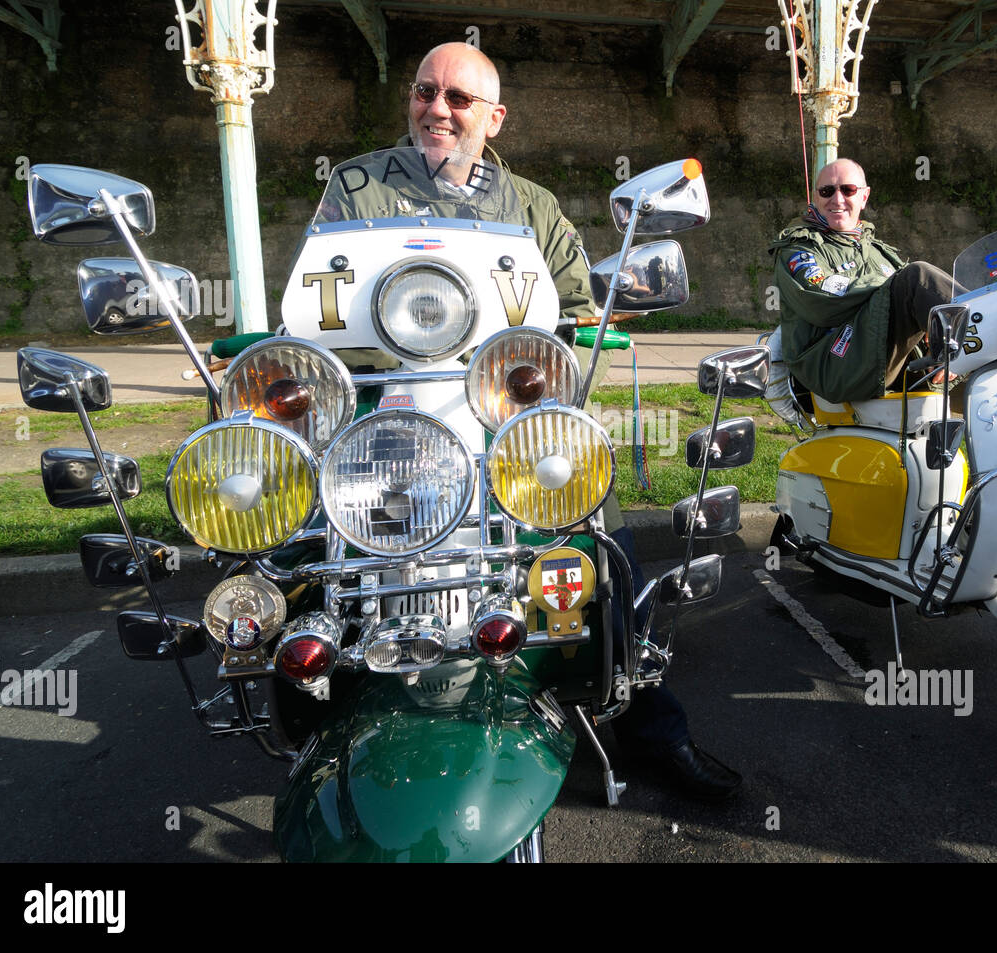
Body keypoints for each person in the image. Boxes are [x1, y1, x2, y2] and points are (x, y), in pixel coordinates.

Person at [332, 42, 741, 799]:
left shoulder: (533, 206)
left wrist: (561, 372)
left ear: (495, 118)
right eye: (425, 92)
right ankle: (328, 723)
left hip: (509, 421)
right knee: (296, 548)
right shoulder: (357, 187)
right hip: (392, 419)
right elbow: (318, 303)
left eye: (459, 99)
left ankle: (652, 726)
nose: (437, 109)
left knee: (607, 550)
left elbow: (583, 315)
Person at [769, 158, 960, 403]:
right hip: (834, 365)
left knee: (995, 374)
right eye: (827, 191)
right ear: (816, 198)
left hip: (892, 361)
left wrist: (933, 331)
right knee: (917, 277)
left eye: (848, 190)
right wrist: (891, 287)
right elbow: (823, 301)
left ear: (864, 196)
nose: (837, 199)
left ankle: (986, 340)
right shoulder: (799, 249)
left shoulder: (877, 251)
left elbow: (905, 304)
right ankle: (978, 335)